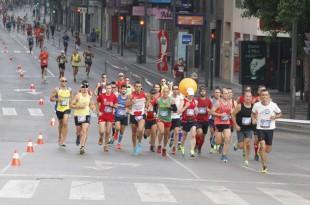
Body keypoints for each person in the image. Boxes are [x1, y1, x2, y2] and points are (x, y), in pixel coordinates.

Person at [252, 89, 282, 173]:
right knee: (262, 146)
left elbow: (280, 114)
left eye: (266, 95)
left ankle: (261, 151)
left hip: (270, 129)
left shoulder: (273, 105)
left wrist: (275, 117)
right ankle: (264, 166)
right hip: (260, 128)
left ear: (269, 96)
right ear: (260, 96)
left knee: (268, 150)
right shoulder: (256, 105)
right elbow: (253, 113)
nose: (264, 96)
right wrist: (254, 119)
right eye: (263, 95)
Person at [70, 80, 95, 155]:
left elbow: (91, 104)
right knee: (79, 131)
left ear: (88, 88)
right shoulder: (78, 95)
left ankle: (82, 146)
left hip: (86, 115)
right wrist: (78, 106)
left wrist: (93, 107)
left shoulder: (89, 95)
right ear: (81, 88)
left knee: (84, 130)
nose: (85, 88)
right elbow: (71, 105)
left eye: (86, 87)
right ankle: (78, 136)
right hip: (78, 115)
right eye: (83, 87)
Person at [232, 90, 254, 167]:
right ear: (244, 98)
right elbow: (233, 114)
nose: (248, 98)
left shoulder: (254, 107)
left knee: (247, 143)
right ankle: (237, 145)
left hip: (249, 128)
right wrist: (236, 125)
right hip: (240, 128)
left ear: (252, 98)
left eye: (249, 96)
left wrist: (254, 121)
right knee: (241, 146)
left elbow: (255, 116)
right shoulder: (239, 106)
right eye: (246, 96)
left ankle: (246, 159)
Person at [211, 88, 233, 162]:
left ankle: (224, 155)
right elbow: (211, 112)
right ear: (222, 94)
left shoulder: (230, 103)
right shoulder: (218, 103)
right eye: (225, 93)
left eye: (228, 93)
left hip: (226, 123)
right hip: (218, 123)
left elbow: (230, 112)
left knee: (227, 138)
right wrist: (220, 114)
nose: (227, 95)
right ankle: (214, 139)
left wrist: (230, 115)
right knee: (219, 142)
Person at [49, 77, 72, 147]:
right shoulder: (57, 90)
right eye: (62, 81)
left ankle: (63, 140)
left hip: (67, 109)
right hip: (59, 109)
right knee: (61, 124)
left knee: (65, 123)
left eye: (65, 81)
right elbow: (51, 98)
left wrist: (71, 104)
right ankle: (59, 136)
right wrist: (57, 99)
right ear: (60, 82)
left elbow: (71, 98)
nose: (64, 82)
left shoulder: (69, 90)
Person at [127, 81, 147, 155]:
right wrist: (131, 102)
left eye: (139, 86)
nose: (138, 88)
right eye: (137, 86)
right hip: (133, 115)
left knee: (141, 129)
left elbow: (148, 100)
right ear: (134, 87)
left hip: (141, 114)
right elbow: (126, 104)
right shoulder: (131, 95)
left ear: (141, 87)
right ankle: (134, 147)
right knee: (134, 133)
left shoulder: (144, 94)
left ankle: (139, 143)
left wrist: (146, 107)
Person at [156, 87, 177, 157]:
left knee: (166, 135)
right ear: (162, 92)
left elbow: (175, 110)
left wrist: (170, 107)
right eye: (164, 92)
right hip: (160, 119)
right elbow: (155, 107)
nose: (165, 93)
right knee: (161, 131)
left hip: (168, 119)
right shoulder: (159, 100)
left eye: (166, 92)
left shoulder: (171, 100)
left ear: (168, 93)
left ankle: (164, 147)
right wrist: (154, 112)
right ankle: (159, 145)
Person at [97, 84, 118, 152]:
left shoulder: (114, 96)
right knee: (102, 131)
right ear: (105, 89)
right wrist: (98, 111)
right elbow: (97, 102)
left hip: (110, 116)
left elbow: (116, 105)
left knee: (108, 132)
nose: (108, 89)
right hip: (102, 115)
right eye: (107, 88)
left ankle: (105, 145)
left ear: (111, 89)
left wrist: (113, 105)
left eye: (110, 88)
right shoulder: (102, 95)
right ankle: (100, 137)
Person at [178, 88, 198, 157]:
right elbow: (179, 112)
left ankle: (192, 151)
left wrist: (196, 110)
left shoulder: (195, 101)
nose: (191, 96)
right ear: (187, 94)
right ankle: (182, 146)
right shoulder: (183, 101)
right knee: (184, 136)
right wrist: (185, 107)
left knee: (193, 135)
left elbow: (196, 112)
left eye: (192, 95)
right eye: (190, 95)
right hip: (185, 121)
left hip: (193, 120)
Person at [195, 86, 212, 155]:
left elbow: (211, 111)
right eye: (201, 91)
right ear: (199, 92)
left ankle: (199, 148)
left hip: (205, 121)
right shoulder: (197, 100)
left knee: (203, 136)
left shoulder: (208, 101)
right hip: (198, 120)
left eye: (204, 91)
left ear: (206, 92)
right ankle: (196, 144)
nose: (203, 92)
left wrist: (209, 110)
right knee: (199, 133)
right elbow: (194, 108)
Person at [114, 85, 129, 149]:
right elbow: (114, 104)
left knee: (122, 131)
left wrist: (127, 110)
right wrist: (116, 106)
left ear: (126, 90)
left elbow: (129, 106)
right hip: (117, 115)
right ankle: (116, 132)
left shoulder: (128, 98)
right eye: (122, 89)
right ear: (120, 90)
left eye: (125, 89)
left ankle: (119, 143)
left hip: (124, 116)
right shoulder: (117, 96)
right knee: (117, 128)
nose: (123, 90)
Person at [170, 85, 183, 155]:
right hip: (169, 117)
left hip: (177, 117)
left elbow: (179, 110)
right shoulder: (169, 97)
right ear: (172, 90)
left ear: (178, 90)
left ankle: (174, 147)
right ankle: (168, 141)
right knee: (166, 134)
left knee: (176, 132)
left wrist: (175, 106)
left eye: (177, 89)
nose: (175, 90)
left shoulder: (180, 98)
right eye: (174, 89)